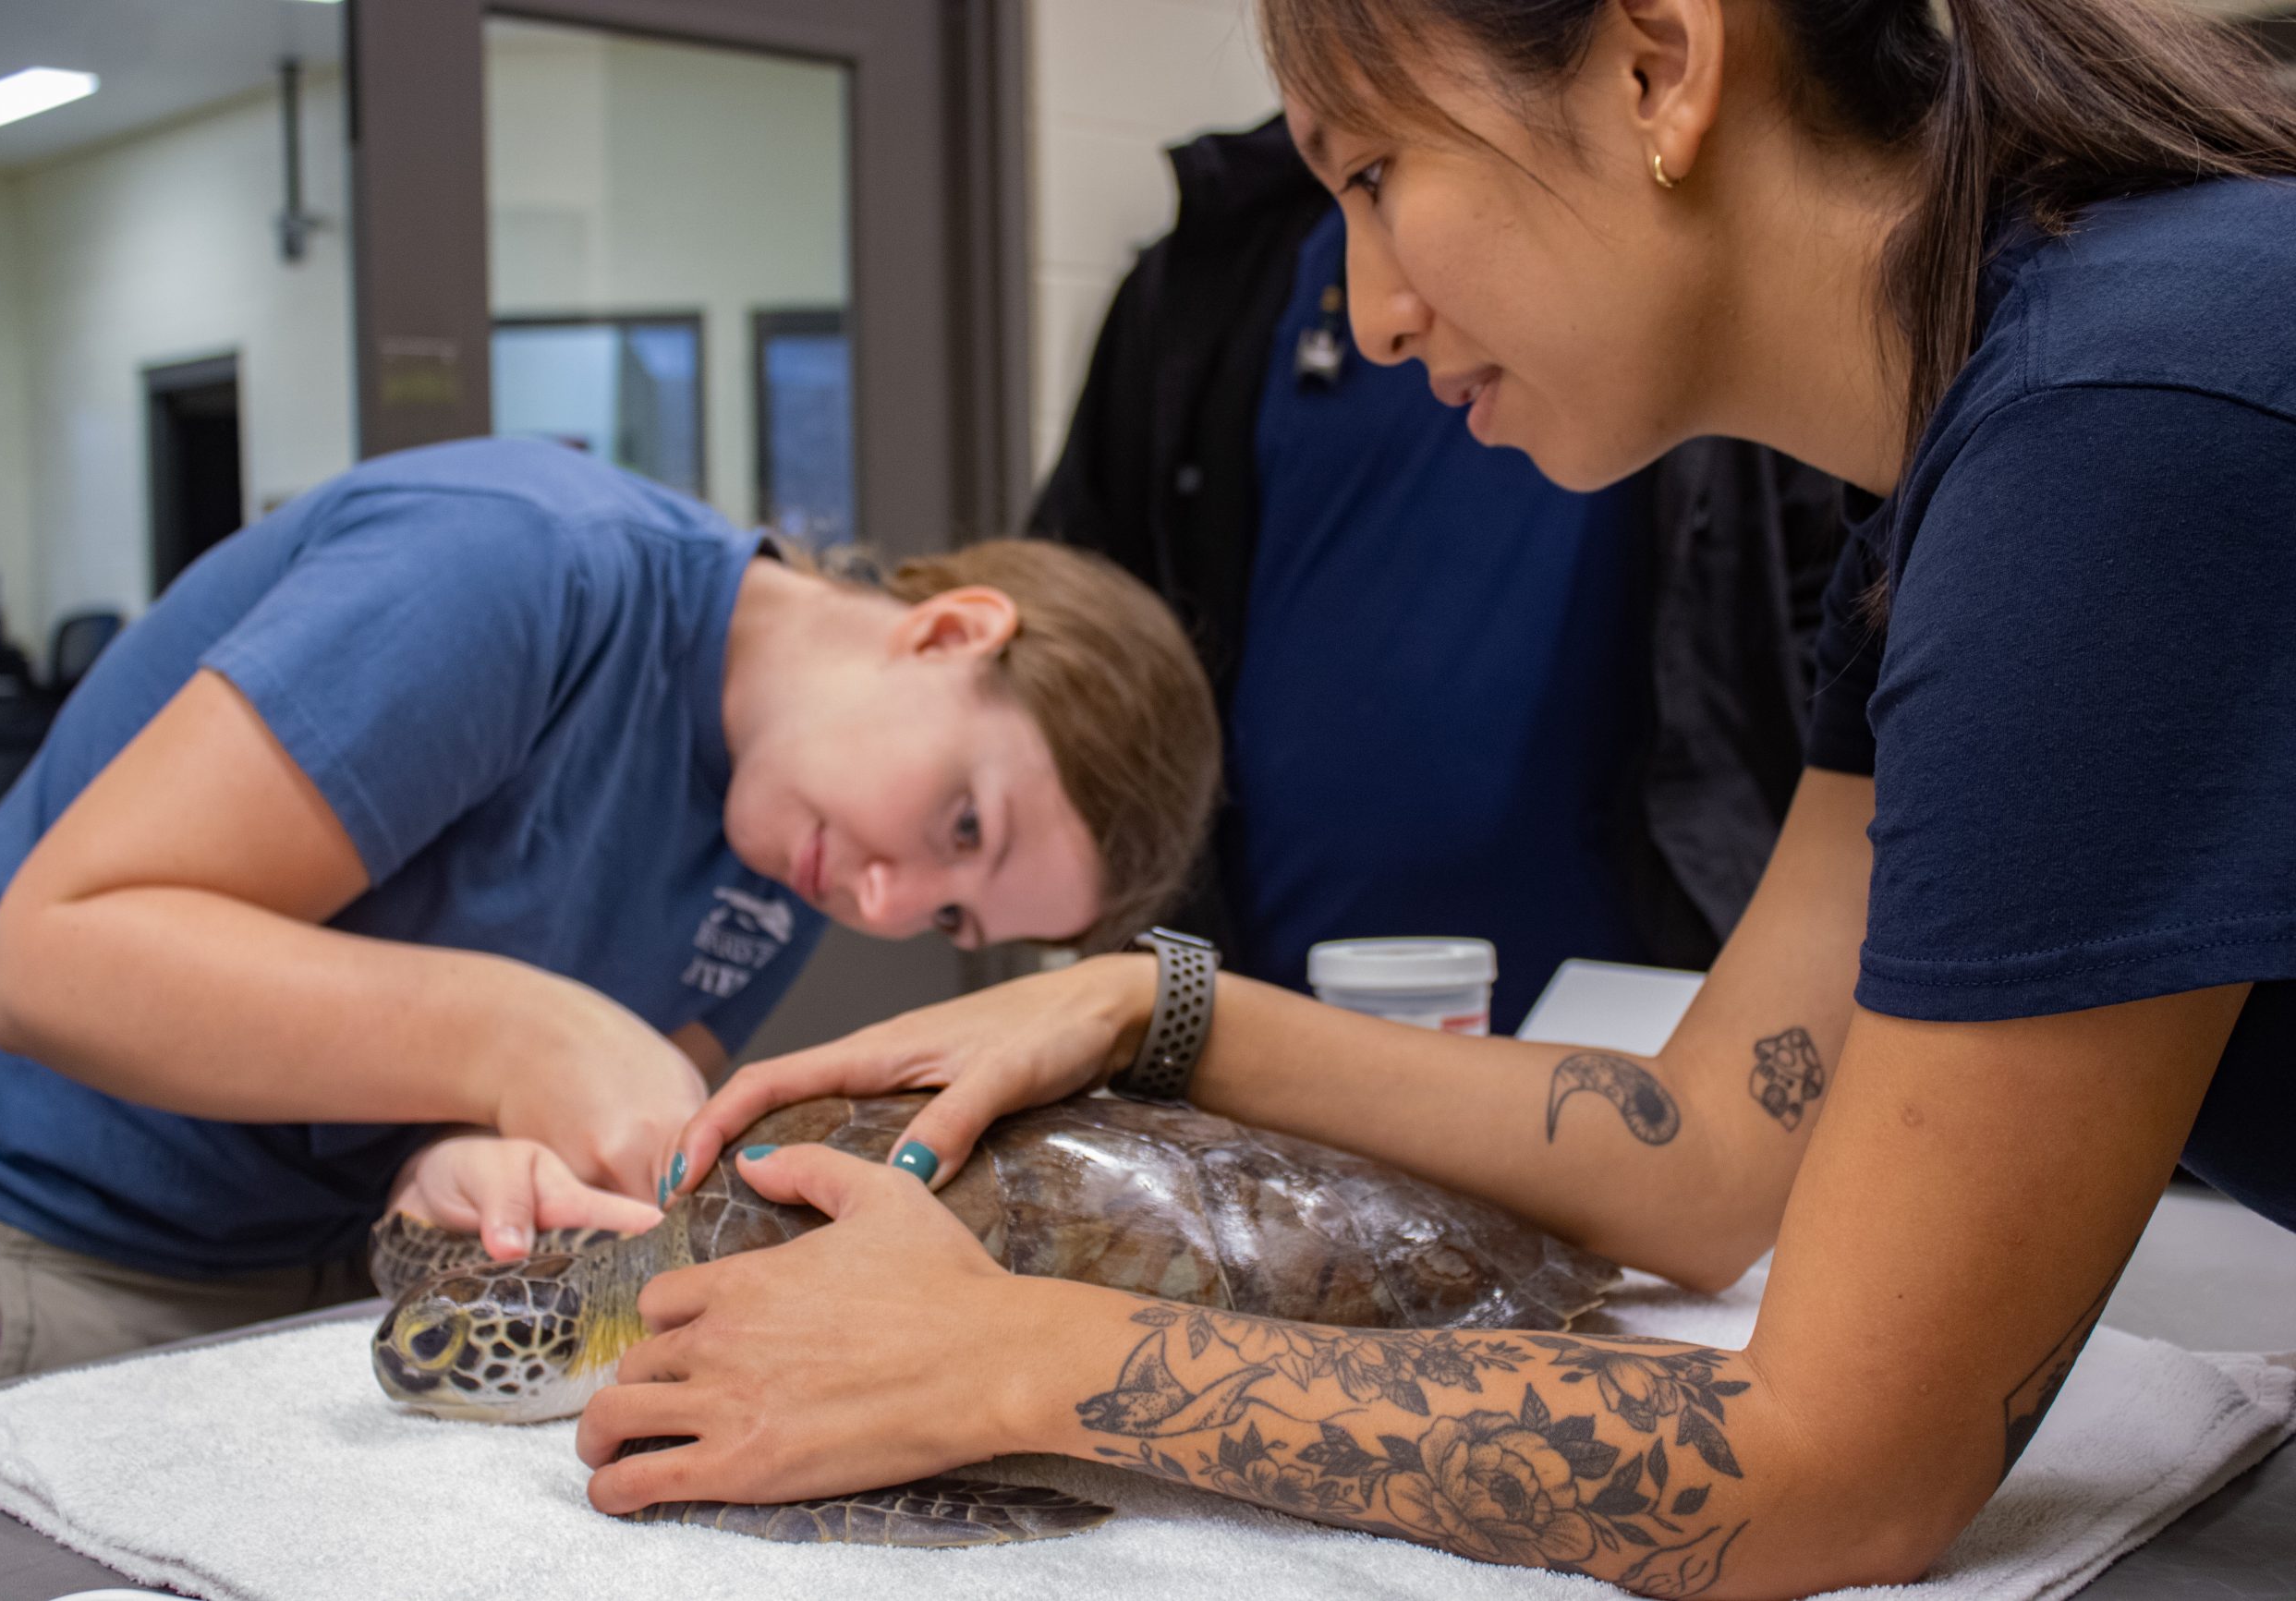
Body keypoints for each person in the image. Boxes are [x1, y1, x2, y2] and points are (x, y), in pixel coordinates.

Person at [589, 2, 2296, 1594]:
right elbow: (1705, 1157)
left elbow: (1843, 1461)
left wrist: (1009, 1357)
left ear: (1658, 66)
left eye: (1379, 176)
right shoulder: (1949, 512)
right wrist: (1152, 1003)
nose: (1376, 308)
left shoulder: (2117, 433)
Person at [0, 436, 1218, 1401]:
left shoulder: (800, 841)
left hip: (308, 1276)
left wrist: (465, 1164)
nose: (881, 900)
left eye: (946, 911)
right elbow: (49, 961)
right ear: (947, 634)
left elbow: (508, 1141)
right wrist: (517, 1036)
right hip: (29, 1240)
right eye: (963, 825)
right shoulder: (514, 567)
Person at [1035, 115, 1846, 1020]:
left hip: (1636, 1026)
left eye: (1379, 176)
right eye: (1355, 181)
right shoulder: (1213, 276)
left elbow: (1833, 638)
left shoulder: (1731, 303)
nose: (1390, 318)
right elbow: (1074, 619)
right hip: (1275, 1027)